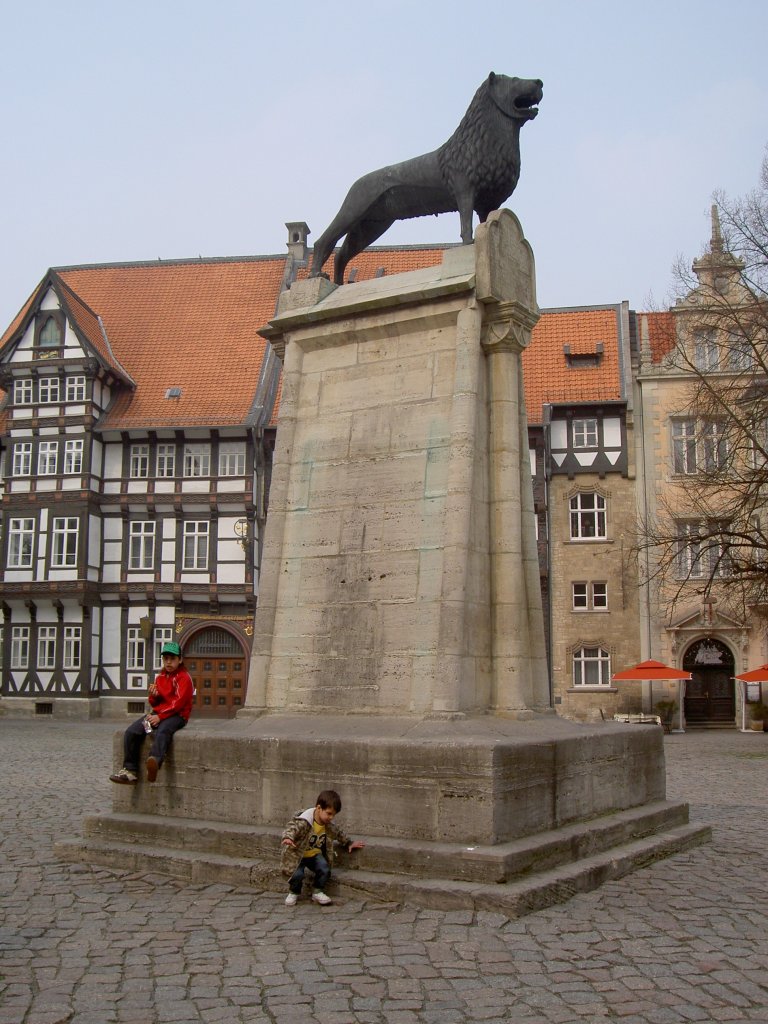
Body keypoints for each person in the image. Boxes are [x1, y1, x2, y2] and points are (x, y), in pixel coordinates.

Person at [110, 640, 194, 785]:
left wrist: (160, 717)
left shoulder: (184, 678)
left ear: (180, 660)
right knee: (133, 732)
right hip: (158, 714)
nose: (168, 662)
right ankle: (130, 771)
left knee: (163, 730)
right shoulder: (160, 677)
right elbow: (155, 703)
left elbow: (178, 703)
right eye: (166, 658)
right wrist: (153, 696)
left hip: (177, 716)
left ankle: (154, 760)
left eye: (172, 659)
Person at [281, 789, 365, 906]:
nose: (331, 817)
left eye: (333, 815)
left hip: (314, 854)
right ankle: (294, 892)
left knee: (324, 868)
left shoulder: (328, 825)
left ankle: (317, 891)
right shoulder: (305, 821)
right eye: (329, 813)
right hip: (297, 854)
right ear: (319, 808)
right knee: (297, 874)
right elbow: (292, 828)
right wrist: (288, 838)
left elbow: (338, 833)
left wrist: (349, 843)